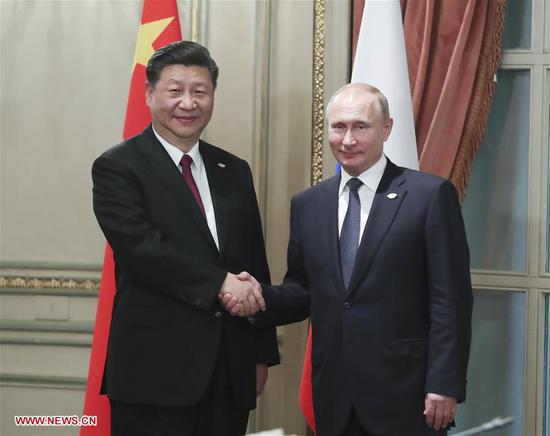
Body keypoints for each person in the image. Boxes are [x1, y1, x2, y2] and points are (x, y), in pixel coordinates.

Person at [222, 83, 473, 436]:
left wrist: (444, 383)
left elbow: (451, 300)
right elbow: (303, 290)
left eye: (361, 127)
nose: (348, 140)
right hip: (334, 395)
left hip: (407, 394)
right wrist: (257, 296)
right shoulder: (308, 204)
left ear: (386, 128)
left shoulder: (428, 196)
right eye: (339, 127)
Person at [92, 40, 279, 436]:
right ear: (149, 94)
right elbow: (143, 252)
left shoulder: (234, 169)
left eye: (200, 91)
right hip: (154, 374)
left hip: (229, 371)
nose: (188, 103)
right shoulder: (117, 167)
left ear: (212, 96)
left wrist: (260, 353)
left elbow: (254, 262)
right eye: (175, 90)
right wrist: (220, 283)